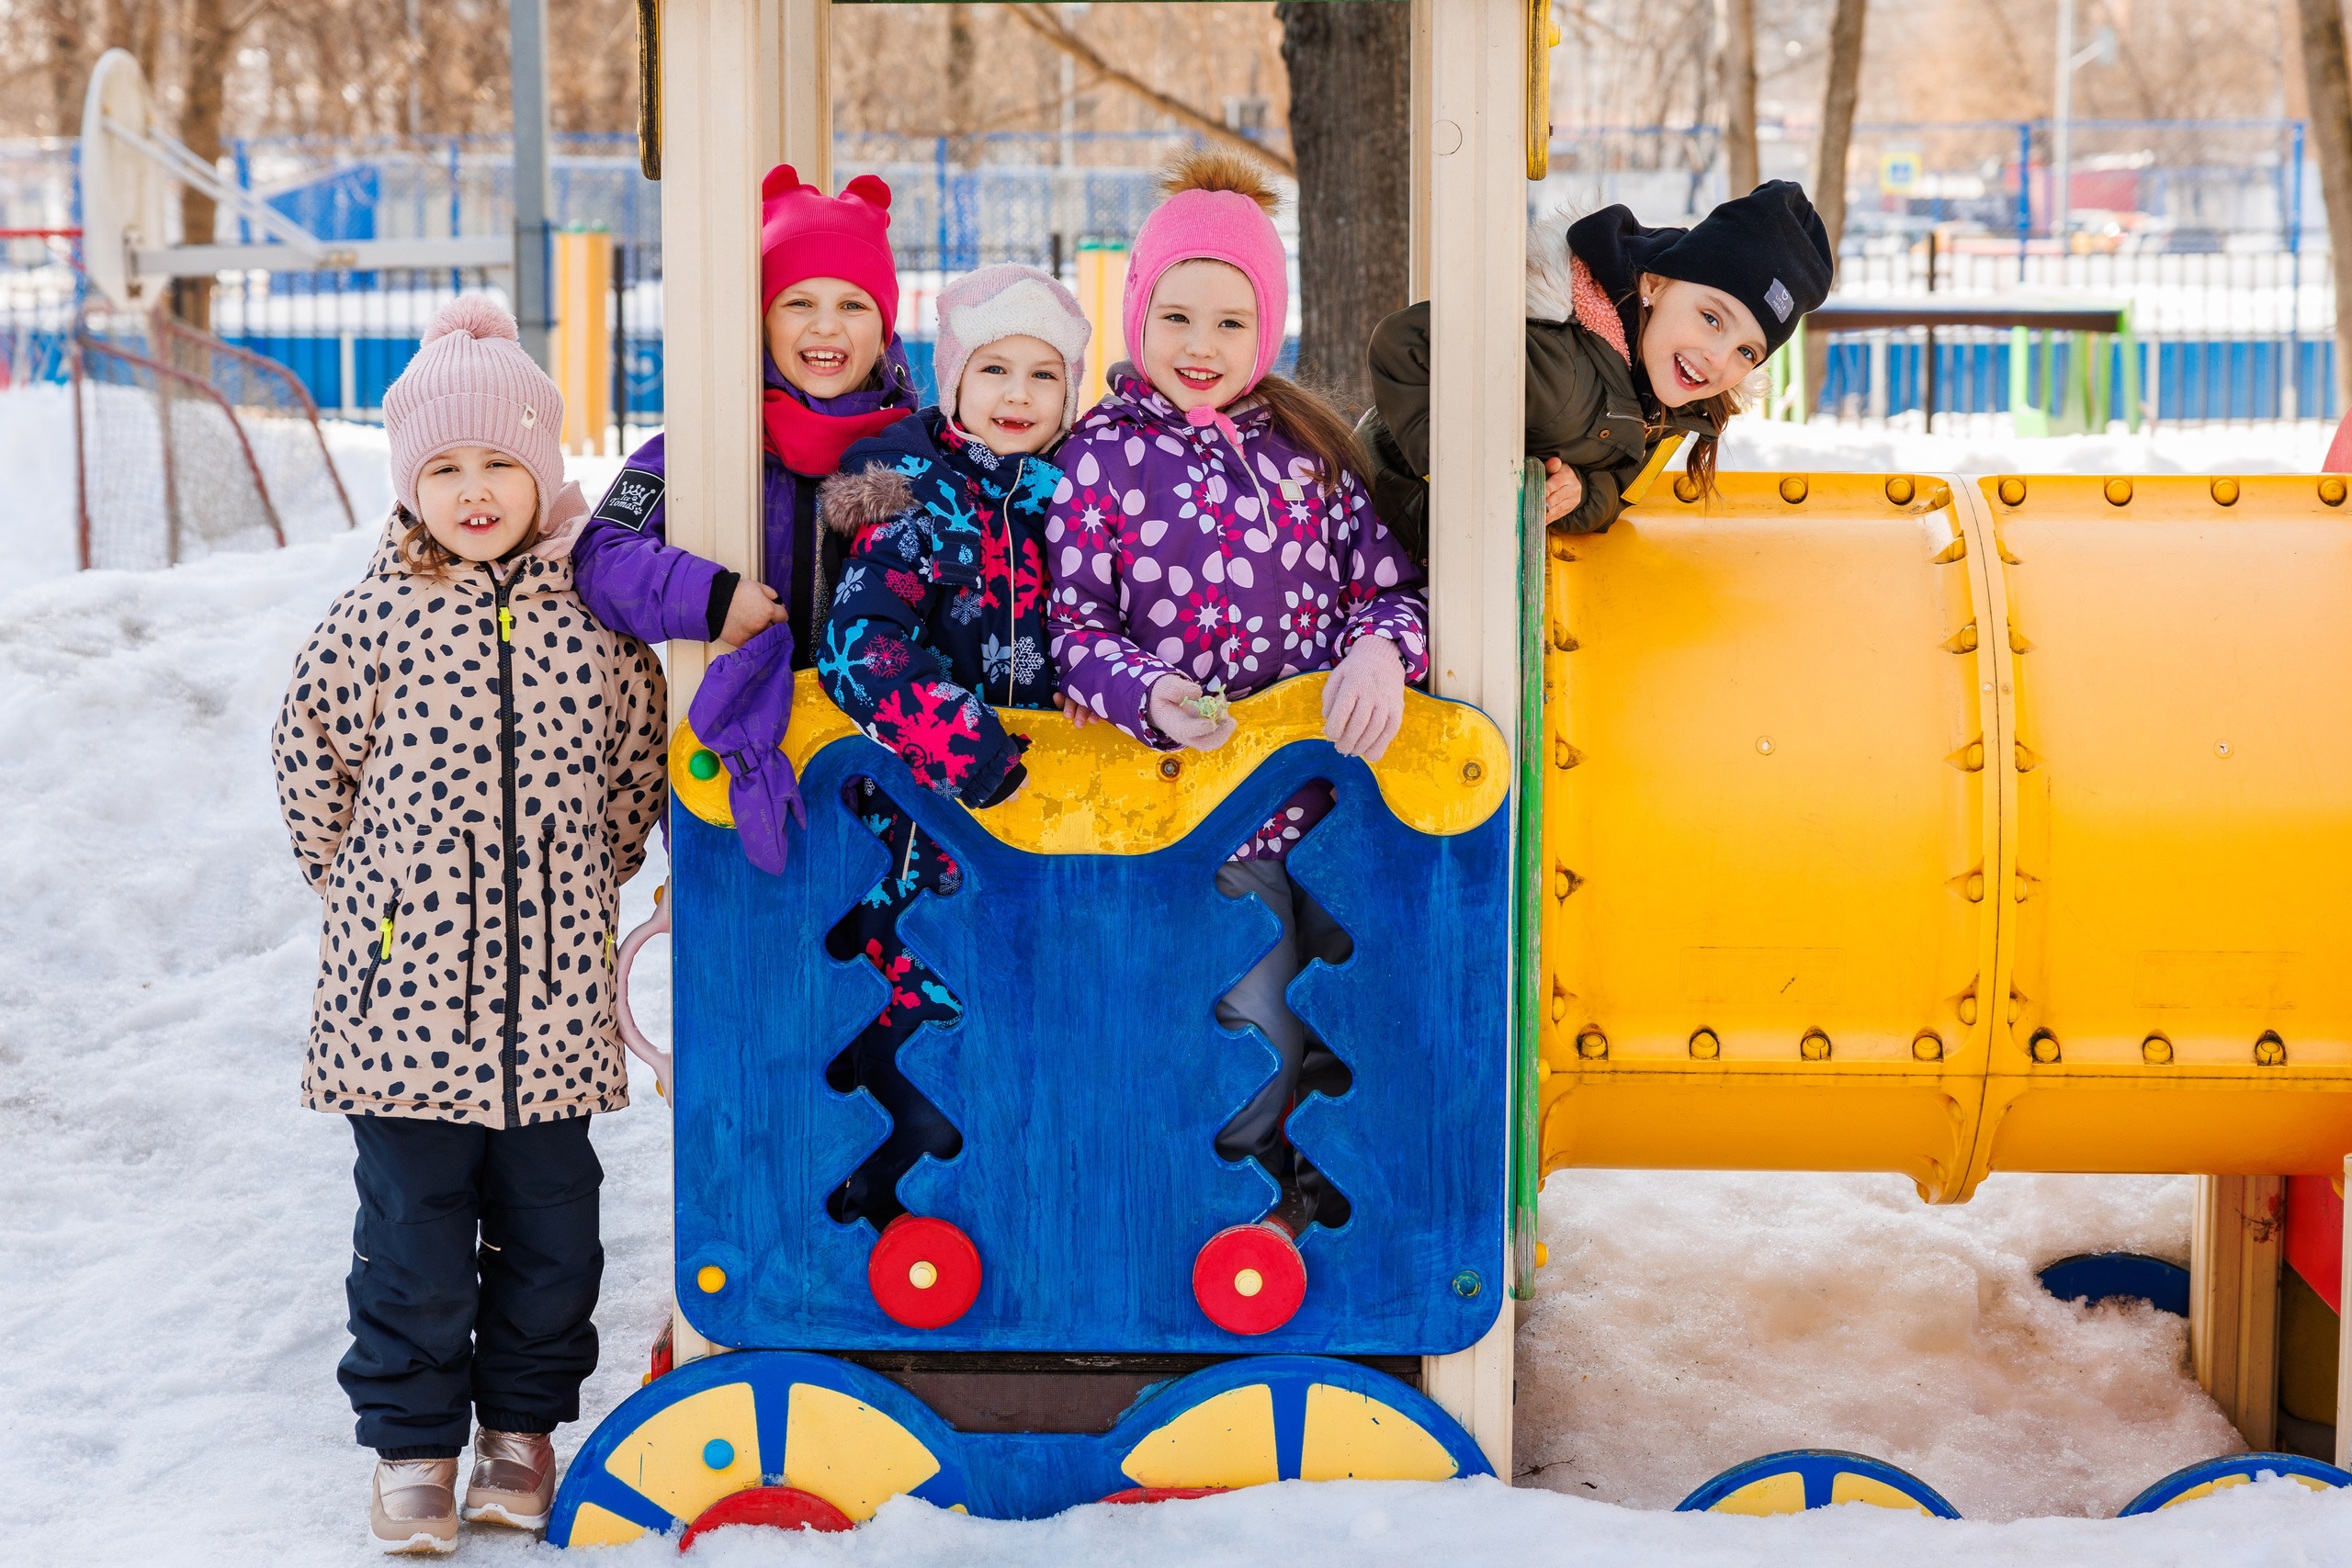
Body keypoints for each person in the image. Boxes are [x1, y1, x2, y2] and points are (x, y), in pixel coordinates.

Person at [272, 299, 667, 1554]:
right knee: (413, 1241)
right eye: (446, 467)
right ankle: (413, 1442)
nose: (477, 487)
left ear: (543, 469)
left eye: (502, 462)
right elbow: (308, 763)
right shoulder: (369, 620)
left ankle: (522, 1430)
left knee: (554, 1229)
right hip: (402, 1009)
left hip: (550, 1001)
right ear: (411, 485)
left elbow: (634, 766)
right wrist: (367, 899)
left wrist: (591, 876)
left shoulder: (591, 620)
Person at [1046, 150, 1429, 1235]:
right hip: (1184, 817)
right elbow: (1072, 626)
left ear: (1266, 327)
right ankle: (1239, 1216)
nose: (1200, 348)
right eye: (1175, 318)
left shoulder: (1308, 452)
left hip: (1327, 808)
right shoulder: (1100, 458)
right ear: (1137, 315)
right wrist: (1148, 690)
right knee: (1240, 1017)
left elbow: (1390, 592)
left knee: (1332, 1015)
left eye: (1228, 322)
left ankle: (1321, 1201)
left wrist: (1376, 656)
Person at [813, 263, 1091, 1226]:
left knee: (1032, 1033)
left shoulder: (1079, 498)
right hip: (925, 833)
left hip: (1063, 827)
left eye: (1043, 375)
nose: (1017, 396)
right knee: (929, 1018)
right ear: (954, 382)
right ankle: (893, 1222)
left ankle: (1011, 1227)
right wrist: (971, 752)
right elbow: (859, 646)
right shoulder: (916, 497)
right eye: (994, 371)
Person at [574, 164, 920, 873]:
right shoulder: (702, 445)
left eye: (853, 305)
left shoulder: (915, 455)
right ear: (760, 315)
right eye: (798, 302)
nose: (826, 326)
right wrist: (709, 597)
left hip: (886, 785)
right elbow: (599, 553)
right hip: (737, 779)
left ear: (883, 325)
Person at [1361, 179, 1837, 558]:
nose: (1720, 358)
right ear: (1657, 284)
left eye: (1747, 353)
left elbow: (1620, 491)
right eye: (1711, 319)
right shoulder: (1561, 365)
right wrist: (1460, 475)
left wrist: (1577, 493)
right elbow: (1405, 340)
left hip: (1439, 565)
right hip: (1359, 528)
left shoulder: (1675, 402)